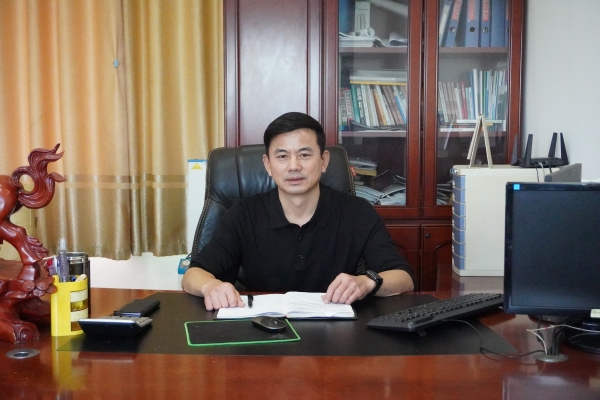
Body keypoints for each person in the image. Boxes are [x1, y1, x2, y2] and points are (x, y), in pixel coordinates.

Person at [182, 112, 414, 310]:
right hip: (263, 331)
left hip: (336, 335)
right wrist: (211, 286)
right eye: (282, 156)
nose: (294, 166)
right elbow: (193, 274)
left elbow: (404, 278)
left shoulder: (357, 213)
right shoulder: (243, 214)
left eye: (304, 155)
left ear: (324, 161)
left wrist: (367, 282)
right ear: (268, 165)